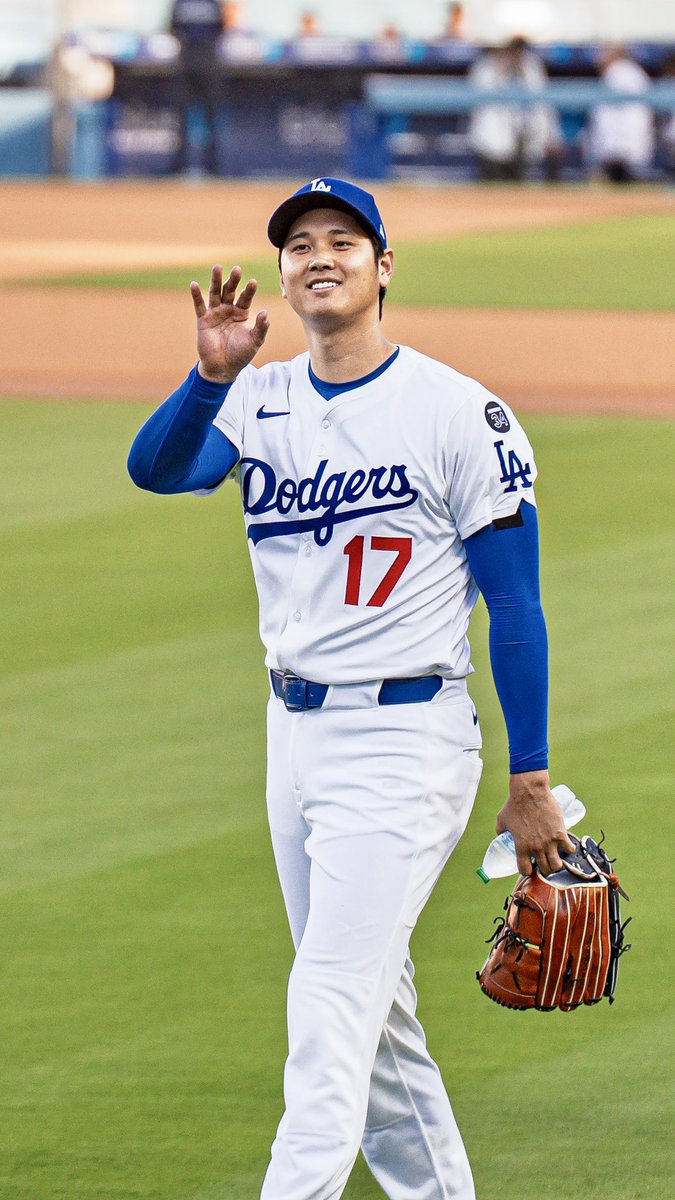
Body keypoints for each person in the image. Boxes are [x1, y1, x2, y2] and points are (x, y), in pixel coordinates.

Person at [127, 177, 575, 1200]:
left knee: (329, 1003)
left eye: (342, 240)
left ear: (384, 267)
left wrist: (533, 774)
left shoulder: (460, 411)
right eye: (299, 246)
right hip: (293, 738)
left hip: (405, 741)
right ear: (282, 274)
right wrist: (207, 377)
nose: (317, 256)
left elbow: (516, 606)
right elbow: (157, 470)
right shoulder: (259, 395)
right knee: (378, 1018)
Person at [467, 36, 563, 181]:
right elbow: (477, 103)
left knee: (517, 186)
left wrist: (552, 134)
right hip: (490, 140)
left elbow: (543, 104)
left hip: (522, 138)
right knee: (489, 188)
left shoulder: (531, 65)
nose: (515, 54)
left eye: (519, 49)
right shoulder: (485, 67)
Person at [169, 0, 226, 174]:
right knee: (180, 119)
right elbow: (172, 28)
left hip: (209, 65)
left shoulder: (213, 4)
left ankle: (213, 169)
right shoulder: (181, 3)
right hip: (186, 64)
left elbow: (221, 29)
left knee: (213, 118)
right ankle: (178, 168)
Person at [588, 46, 655, 183]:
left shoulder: (619, 71)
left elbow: (609, 113)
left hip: (622, 138)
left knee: (621, 179)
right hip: (628, 137)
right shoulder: (632, 70)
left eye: (603, 53)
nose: (599, 58)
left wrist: (608, 144)